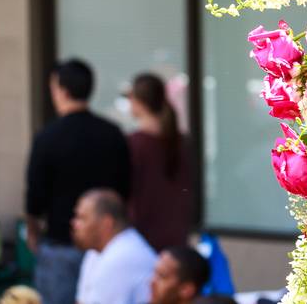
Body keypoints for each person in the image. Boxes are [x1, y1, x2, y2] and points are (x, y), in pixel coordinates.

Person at [25, 61, 132, 304]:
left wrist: (32, 231)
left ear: (61, 90)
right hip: (106, 243)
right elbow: (125, 189)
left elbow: (35, 195)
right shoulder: (112, 133)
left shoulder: (47, 137)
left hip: (60, 244)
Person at [123, 75, 192, 252]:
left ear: (137, 101)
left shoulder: (134, 144)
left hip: (144, 239)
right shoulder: (180, 141)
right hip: (177, 237)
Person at [70, 191, 154, 304]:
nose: (74, 224)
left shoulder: (123, 257)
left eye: (82, 218)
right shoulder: (95, 251)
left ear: (106, 223)